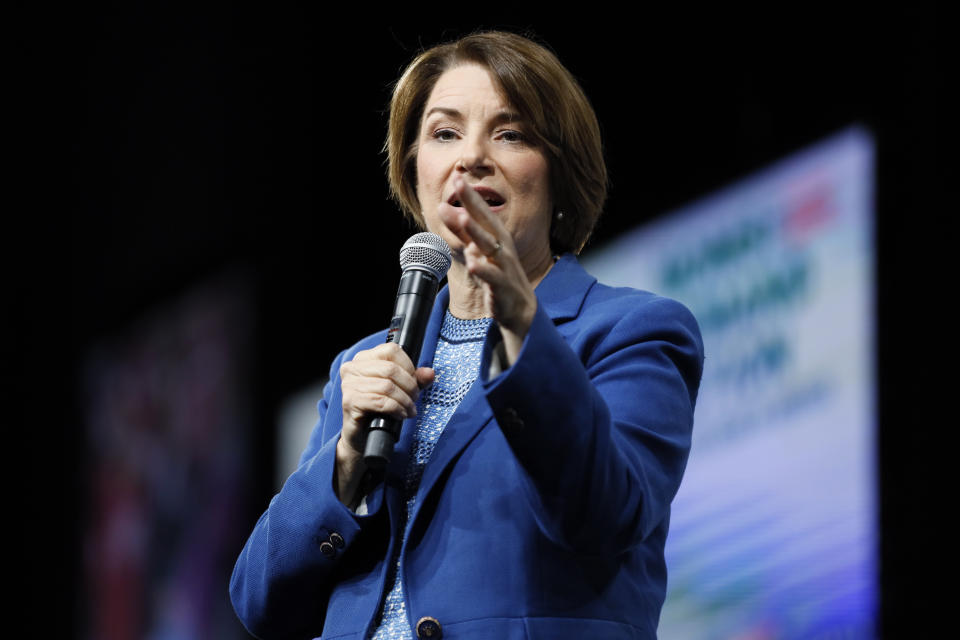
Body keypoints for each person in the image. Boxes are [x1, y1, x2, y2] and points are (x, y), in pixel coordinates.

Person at [230, 31, 704, 640]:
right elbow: (259, 600)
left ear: (560, 170)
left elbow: (607, 516)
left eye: (510, 134)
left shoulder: (633, 332)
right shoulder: (365, 364)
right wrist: (345, 463)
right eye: (445, 133)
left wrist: (520, 328)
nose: (470, 157)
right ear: (415, 169)